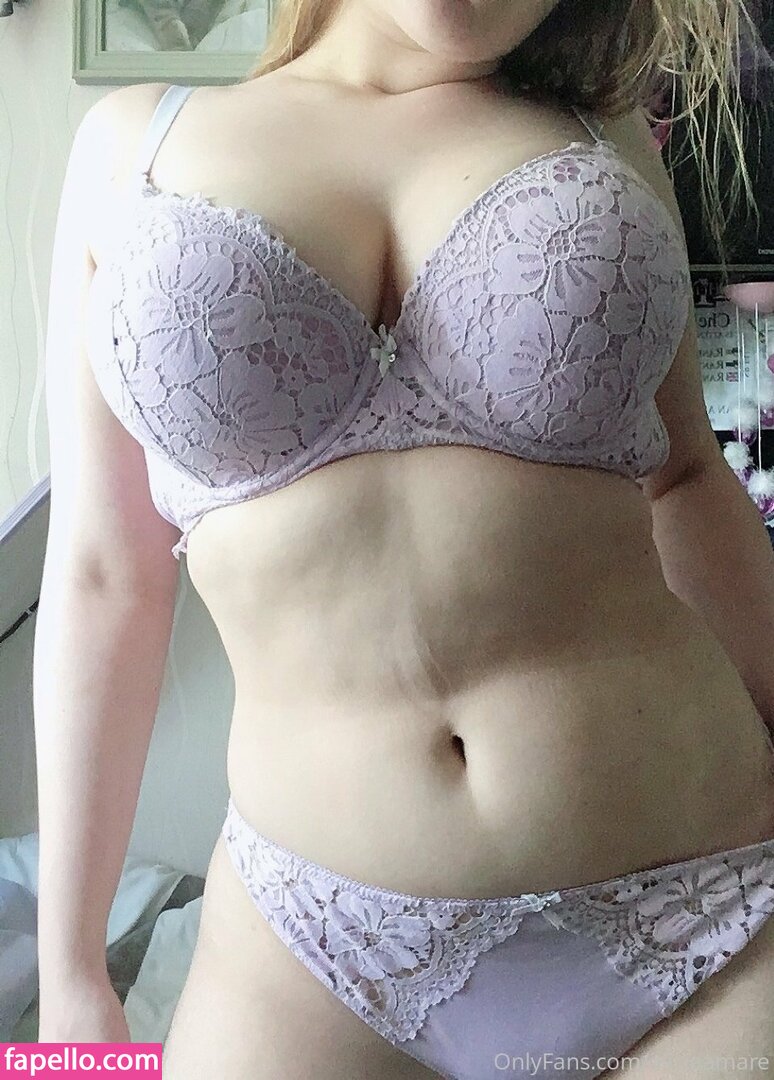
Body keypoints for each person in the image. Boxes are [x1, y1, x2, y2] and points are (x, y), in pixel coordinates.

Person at [34, 1, 774, 1077]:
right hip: (313, 952)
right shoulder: (133, 146)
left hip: (708, 902)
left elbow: (690, 483)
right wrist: (72, 971)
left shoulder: (601, 137)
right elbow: (106, 576)